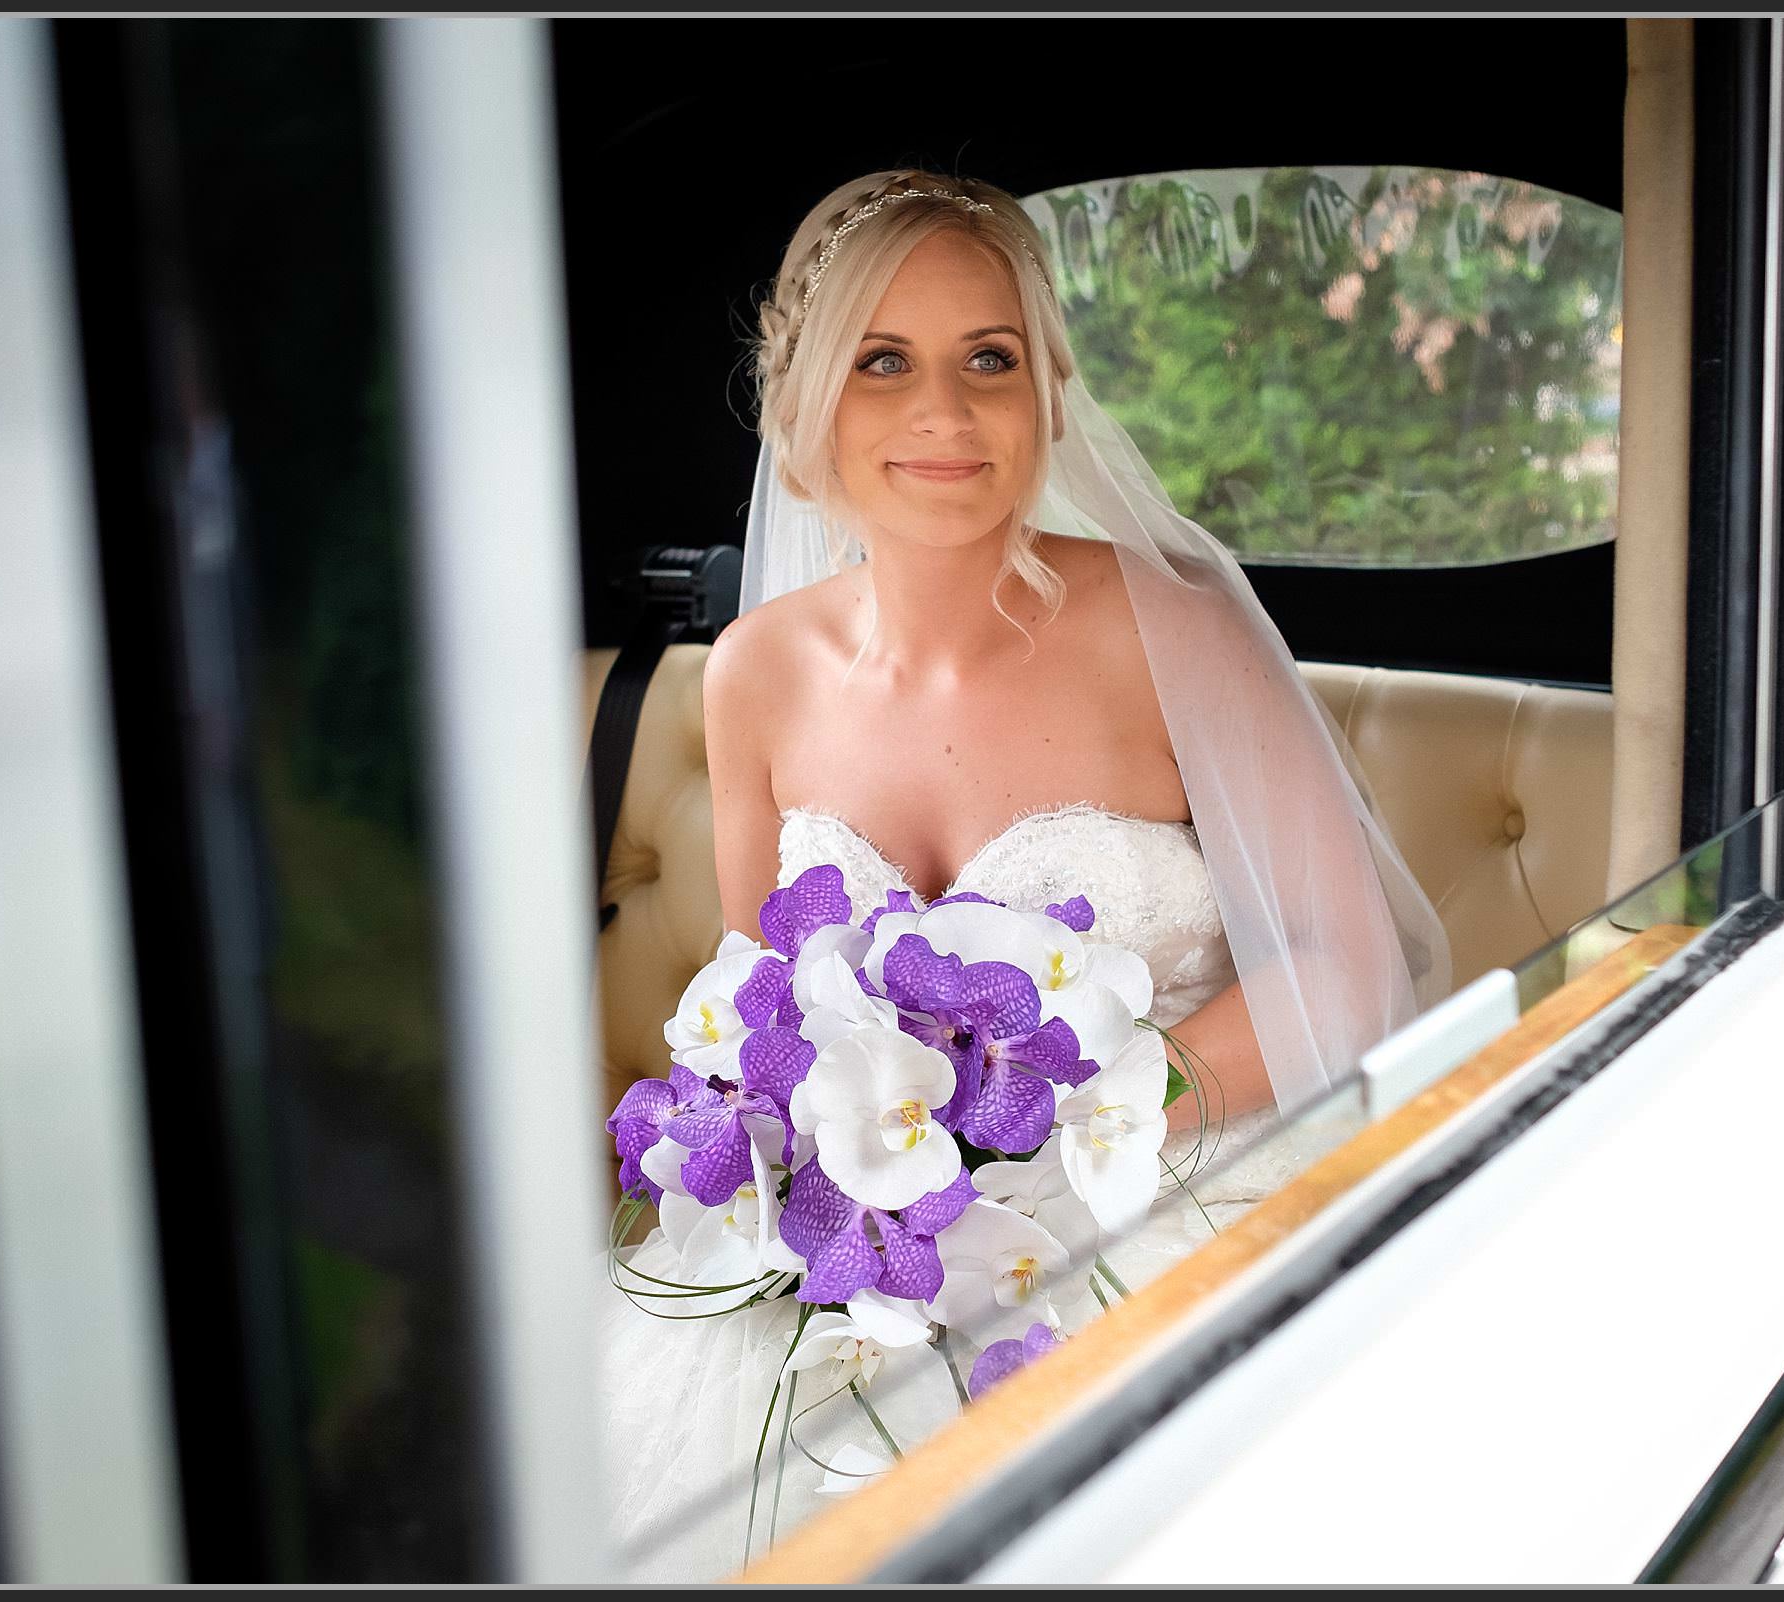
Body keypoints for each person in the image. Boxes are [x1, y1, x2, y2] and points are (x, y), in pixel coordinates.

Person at [596, 169, 1450, 1579]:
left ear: (1046, 392)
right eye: (885, 363)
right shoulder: (753, 672)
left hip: (1173, 1193)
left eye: (987, 359)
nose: (943, 412)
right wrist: (842, 1172)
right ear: (808, 405)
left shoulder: (1171, 625)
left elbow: (1345, 960)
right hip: (873, 1248)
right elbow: (768, 989)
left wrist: (1057, 1122)